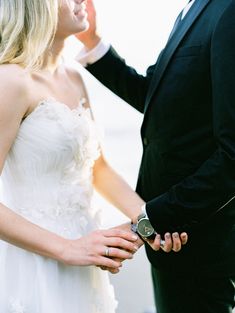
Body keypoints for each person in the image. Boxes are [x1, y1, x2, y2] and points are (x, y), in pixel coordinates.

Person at [0, 1, 188, 312]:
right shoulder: (10, 81)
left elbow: (97, 168)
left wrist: (149, 221)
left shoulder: (73, 76)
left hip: (86, 258)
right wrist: (68, 249)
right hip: (35, 261)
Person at [76, 0, 235, 312]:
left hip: (198, 238)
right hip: (170, 238)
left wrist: (153, 218)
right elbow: (162, 102)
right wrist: (93, 43)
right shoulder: (196, 9)